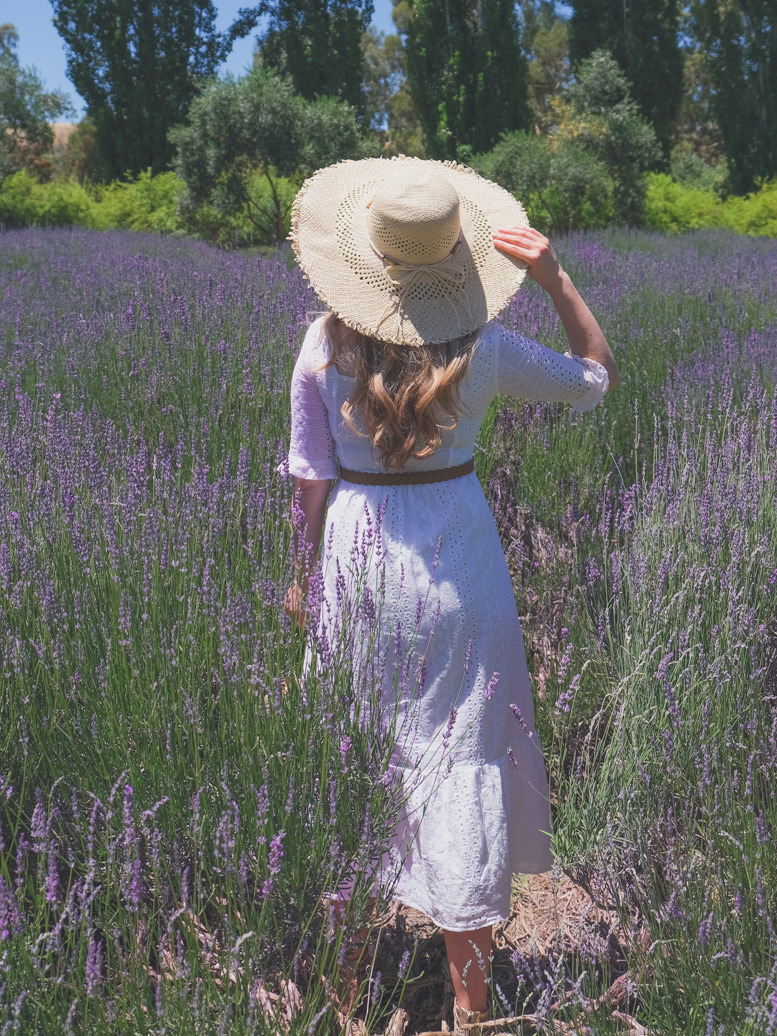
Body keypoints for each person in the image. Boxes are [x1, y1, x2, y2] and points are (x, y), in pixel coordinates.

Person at [284, 156, 619, 1033]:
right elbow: (595, 375)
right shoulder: (489, 349)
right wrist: (555, 278)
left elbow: (309, 481)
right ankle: (473, 1008)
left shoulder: (323, 345)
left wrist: (300, 578)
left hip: (360, 564)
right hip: (460, 568)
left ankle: (345, 992)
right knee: (461, 759)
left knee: (353, 757)